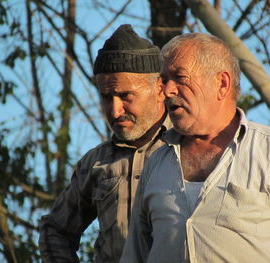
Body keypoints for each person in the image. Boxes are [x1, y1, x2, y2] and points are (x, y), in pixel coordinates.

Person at [120, 33, 270, 263]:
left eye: (180, 77)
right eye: (164, 80)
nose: (168, 90)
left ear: (222, 84)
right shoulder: (155, 163)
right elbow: (135, 256)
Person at [39, 24, 171, 263]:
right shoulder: (95, 163)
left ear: (160, 89)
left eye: (125, 96)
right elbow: (55, 231)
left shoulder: (189, 147)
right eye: (105, 97)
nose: (115, 110)